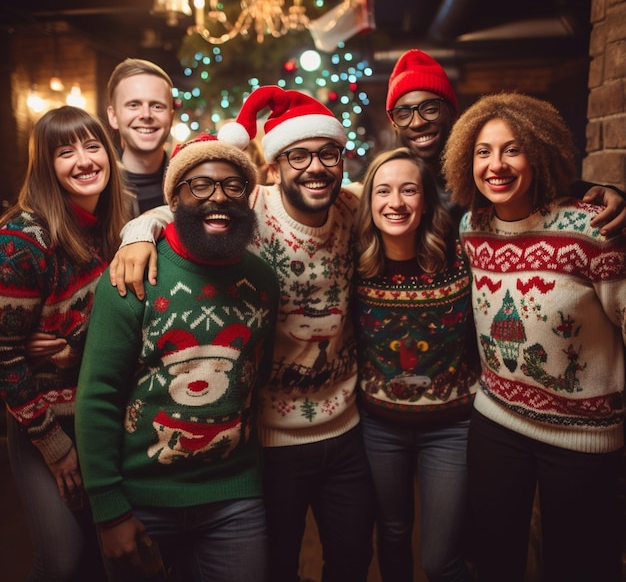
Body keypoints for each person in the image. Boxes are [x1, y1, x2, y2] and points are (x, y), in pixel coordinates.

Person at [101, 85, 375, 582]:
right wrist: (139, 231)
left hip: (346, 426)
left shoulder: (356, 209)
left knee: (354, 559)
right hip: (270, 436)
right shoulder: (252, 209)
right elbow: (192, 202)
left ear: (342, 159)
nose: (316, 167)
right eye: (298, 155)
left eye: (328, 153)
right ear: (273, 168)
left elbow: (405, 197)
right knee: (277, 565)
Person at [75, 133, 279, 582]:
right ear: (176, 199)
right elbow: (97, 397)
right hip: (143, 499)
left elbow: (255, 381)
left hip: (235, 498)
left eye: (233, 186)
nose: (218, 199)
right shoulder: (132, 276)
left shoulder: (264, 281)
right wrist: (108, 511)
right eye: (200, 186)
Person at [441, 92, 626, 582]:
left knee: (580, 566)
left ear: (540, 152)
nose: (495, 164)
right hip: (496, 421)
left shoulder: (592, 229)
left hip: (583, 438)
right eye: (483, 151)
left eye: (512, 149)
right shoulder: (472, 228)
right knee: (495, 561)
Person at [0, 105, 129, 580]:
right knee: (60, 559)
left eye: (93, 146)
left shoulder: (114, 228)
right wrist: (54, 447)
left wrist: (73, 343)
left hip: (101, 416)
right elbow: (5, 359)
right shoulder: (23, 239)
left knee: (107, 558)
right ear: (45, 167)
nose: (84, 160)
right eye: (65, 152)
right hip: (43, 421)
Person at [353, 146, 478, 582]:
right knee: (391, 532)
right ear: (369, 201)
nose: (396, 202)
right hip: (379, 428)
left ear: (426, 200)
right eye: (383, 191)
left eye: (409, 190)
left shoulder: (461, 256)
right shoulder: (353, 262)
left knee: (440, 560)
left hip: (451, 427)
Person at [386, 48, 626, 234]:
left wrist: (606, 193)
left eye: (430, 108)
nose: (417, 122)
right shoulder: (392, 189)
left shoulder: (487, 172)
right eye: (403, 113)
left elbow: (544, 186)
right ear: (394, 123)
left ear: (452, 113)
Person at [107, 57, 175, 216]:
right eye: (133, 105)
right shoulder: (94, 188)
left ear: (171, 117)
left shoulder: (191, 185)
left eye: (157, 106)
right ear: (113, 116)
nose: (146, 115)